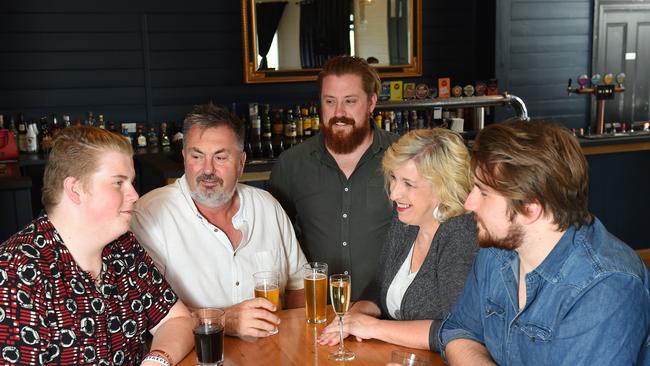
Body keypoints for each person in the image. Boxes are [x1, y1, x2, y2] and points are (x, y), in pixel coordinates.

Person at [439, 120, 650, 365]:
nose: (469, 203)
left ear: (530, 209)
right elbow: (459, 330)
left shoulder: (605, 287)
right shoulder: (498, 250)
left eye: (483, 192)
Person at [0, 126, 193, 366]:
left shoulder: (123, 247)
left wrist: (157, 360)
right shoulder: (14, 272)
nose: (134, 194)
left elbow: (176, 320)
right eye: (118, 182)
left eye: (131, 182)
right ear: (75, 189)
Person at [131, 103, 307, 338]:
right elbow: (147, 312)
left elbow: (299, 287)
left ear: (241, 163)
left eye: (220, 157)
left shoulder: (267, 206)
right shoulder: (150, 215)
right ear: (184, 157)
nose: (207, 170)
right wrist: (225, 320)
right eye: (197, 156)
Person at [318, 128, 479, 351]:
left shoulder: (460, 233)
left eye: (408, 184)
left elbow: (457, 329)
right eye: (393, 178)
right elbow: (377, 288)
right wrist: (350, 320)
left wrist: (373, 328)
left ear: (444, 188)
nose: (394, 194)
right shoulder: (407, 219)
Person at [268, 55, 399, 298]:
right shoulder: (291, 164)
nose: (339, 113)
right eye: (330, 101)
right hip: (317, 312)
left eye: (350, 101)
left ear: (371, 103)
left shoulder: (404, 157)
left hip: (391, 313)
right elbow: (275, 242)